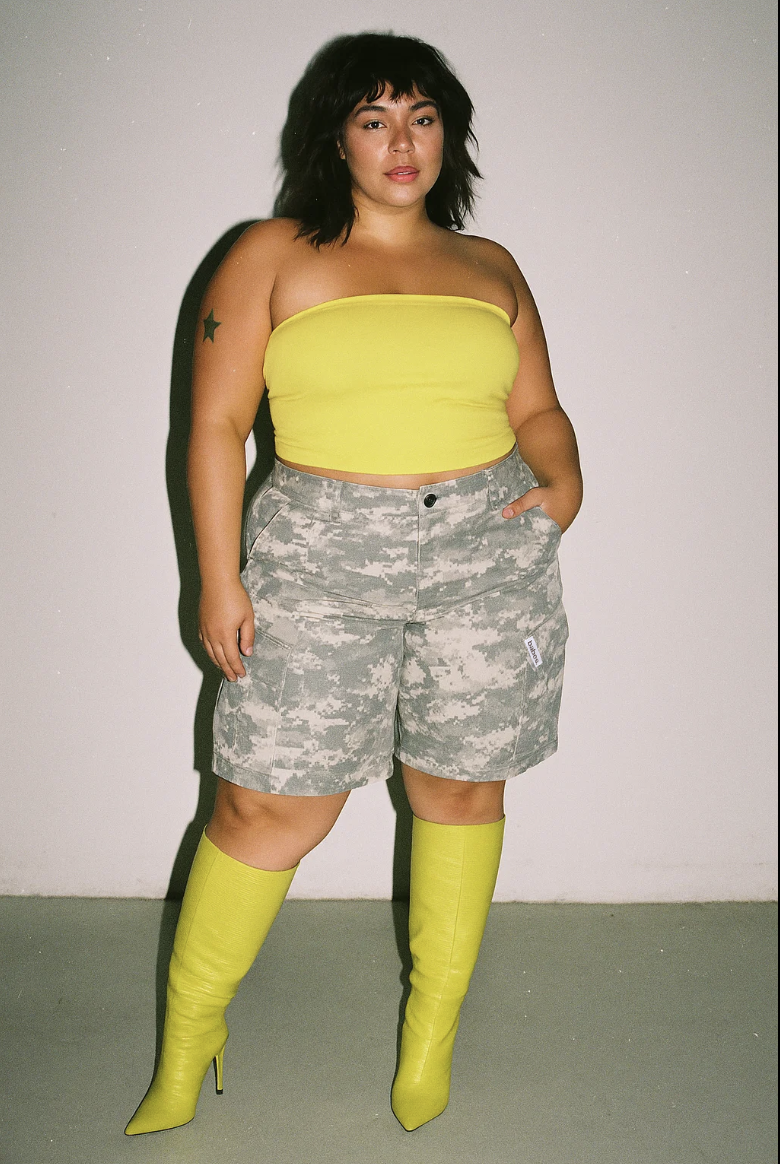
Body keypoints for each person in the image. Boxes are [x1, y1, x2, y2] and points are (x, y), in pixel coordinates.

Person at [125, 31, 582, 1136]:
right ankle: (190, 1039)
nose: (401, 142)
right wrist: (219, 581)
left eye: (422, 118)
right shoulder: (271, 253)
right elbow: (216, 426)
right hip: (317, 557)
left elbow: (535, 409)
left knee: (460, 789)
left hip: (484, 554)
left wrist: (564, 480)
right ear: (335, 139)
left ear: (448, 135)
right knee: (267, 803)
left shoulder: (491, 267)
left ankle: (430, 1039)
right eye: (374, 119)